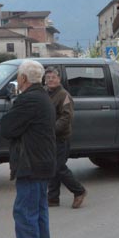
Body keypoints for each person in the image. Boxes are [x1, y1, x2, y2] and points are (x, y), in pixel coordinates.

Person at [0, 60, 56, 238]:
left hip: (32, 163)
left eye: (18, 77)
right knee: (38, 211)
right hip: (42, 161)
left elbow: (7, 127)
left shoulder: (28, 99)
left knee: (25, 212)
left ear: (23, 78)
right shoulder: (42, 97)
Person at [44, 66, 86, 208]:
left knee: (59, 168)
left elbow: (66, 117)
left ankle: (79, 191)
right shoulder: (45, 93)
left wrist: (52, 130)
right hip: (49, 138)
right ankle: (53, 198)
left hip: (60, 137)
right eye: (48, 77)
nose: (50, 80)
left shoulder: (64, 95)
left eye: (53, 77)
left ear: (59, 79)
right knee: (52, 167)